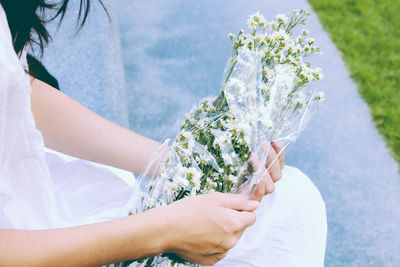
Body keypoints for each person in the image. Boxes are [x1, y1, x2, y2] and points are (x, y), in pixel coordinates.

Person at [0, 0, 327, 266]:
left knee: (291, 203)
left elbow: (18, 94)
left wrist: (183, 165)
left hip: (29, 186)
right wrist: (163, 230)